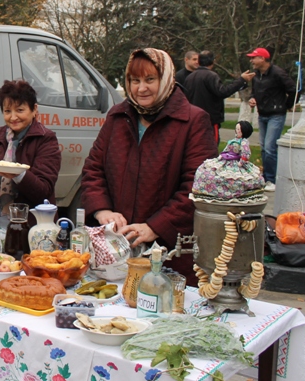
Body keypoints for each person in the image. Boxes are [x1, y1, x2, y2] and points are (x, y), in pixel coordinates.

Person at [80, 48, 217, 284]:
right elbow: (93, 169)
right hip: (113, 253)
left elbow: (198, 188)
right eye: (135, 81)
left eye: (150, 80)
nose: (141, 88)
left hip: (167, 257)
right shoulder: (117, 117)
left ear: (166, 79)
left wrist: (155, 227)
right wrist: (102, 210)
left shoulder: (193, 121)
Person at [0, 79, 61, 227]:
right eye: (7, 111)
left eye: (20, 110)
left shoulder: (46, 139)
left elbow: (43, 191)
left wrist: (17, 173)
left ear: (34, 109)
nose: (13, 117)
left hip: (30, 228)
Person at [241, 47, 296, 192]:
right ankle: (266, 178)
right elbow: (255, 92)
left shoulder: (277, 73)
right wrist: (253, 99)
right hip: (263, 114)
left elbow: (293, 89)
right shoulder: (257, 75)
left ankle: (272, 179)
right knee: (264, 148)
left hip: (276, 115)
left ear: (263, 58)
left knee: (270, 147)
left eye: (254, 58)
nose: (251, 61)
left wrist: (287, 105)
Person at [185, 50, 252, 144]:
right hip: (209, 119)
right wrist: (241, 80)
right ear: (213, 61)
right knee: (211, 145)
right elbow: (223, 92)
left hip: (193, 118)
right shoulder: (211, 76)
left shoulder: (189, 77)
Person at [192, 121, 264, 200]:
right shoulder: (233, 140)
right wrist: (221, 155)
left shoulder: (243, 142)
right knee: (208, 170)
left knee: (234, 178)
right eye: (236, 129)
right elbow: (227, 149)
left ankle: (228, 192)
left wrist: (241, 162)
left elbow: (246, 153)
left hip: (236, 162)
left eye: (239, 129)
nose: (236, 131)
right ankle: (206, 190)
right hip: (226, 159)